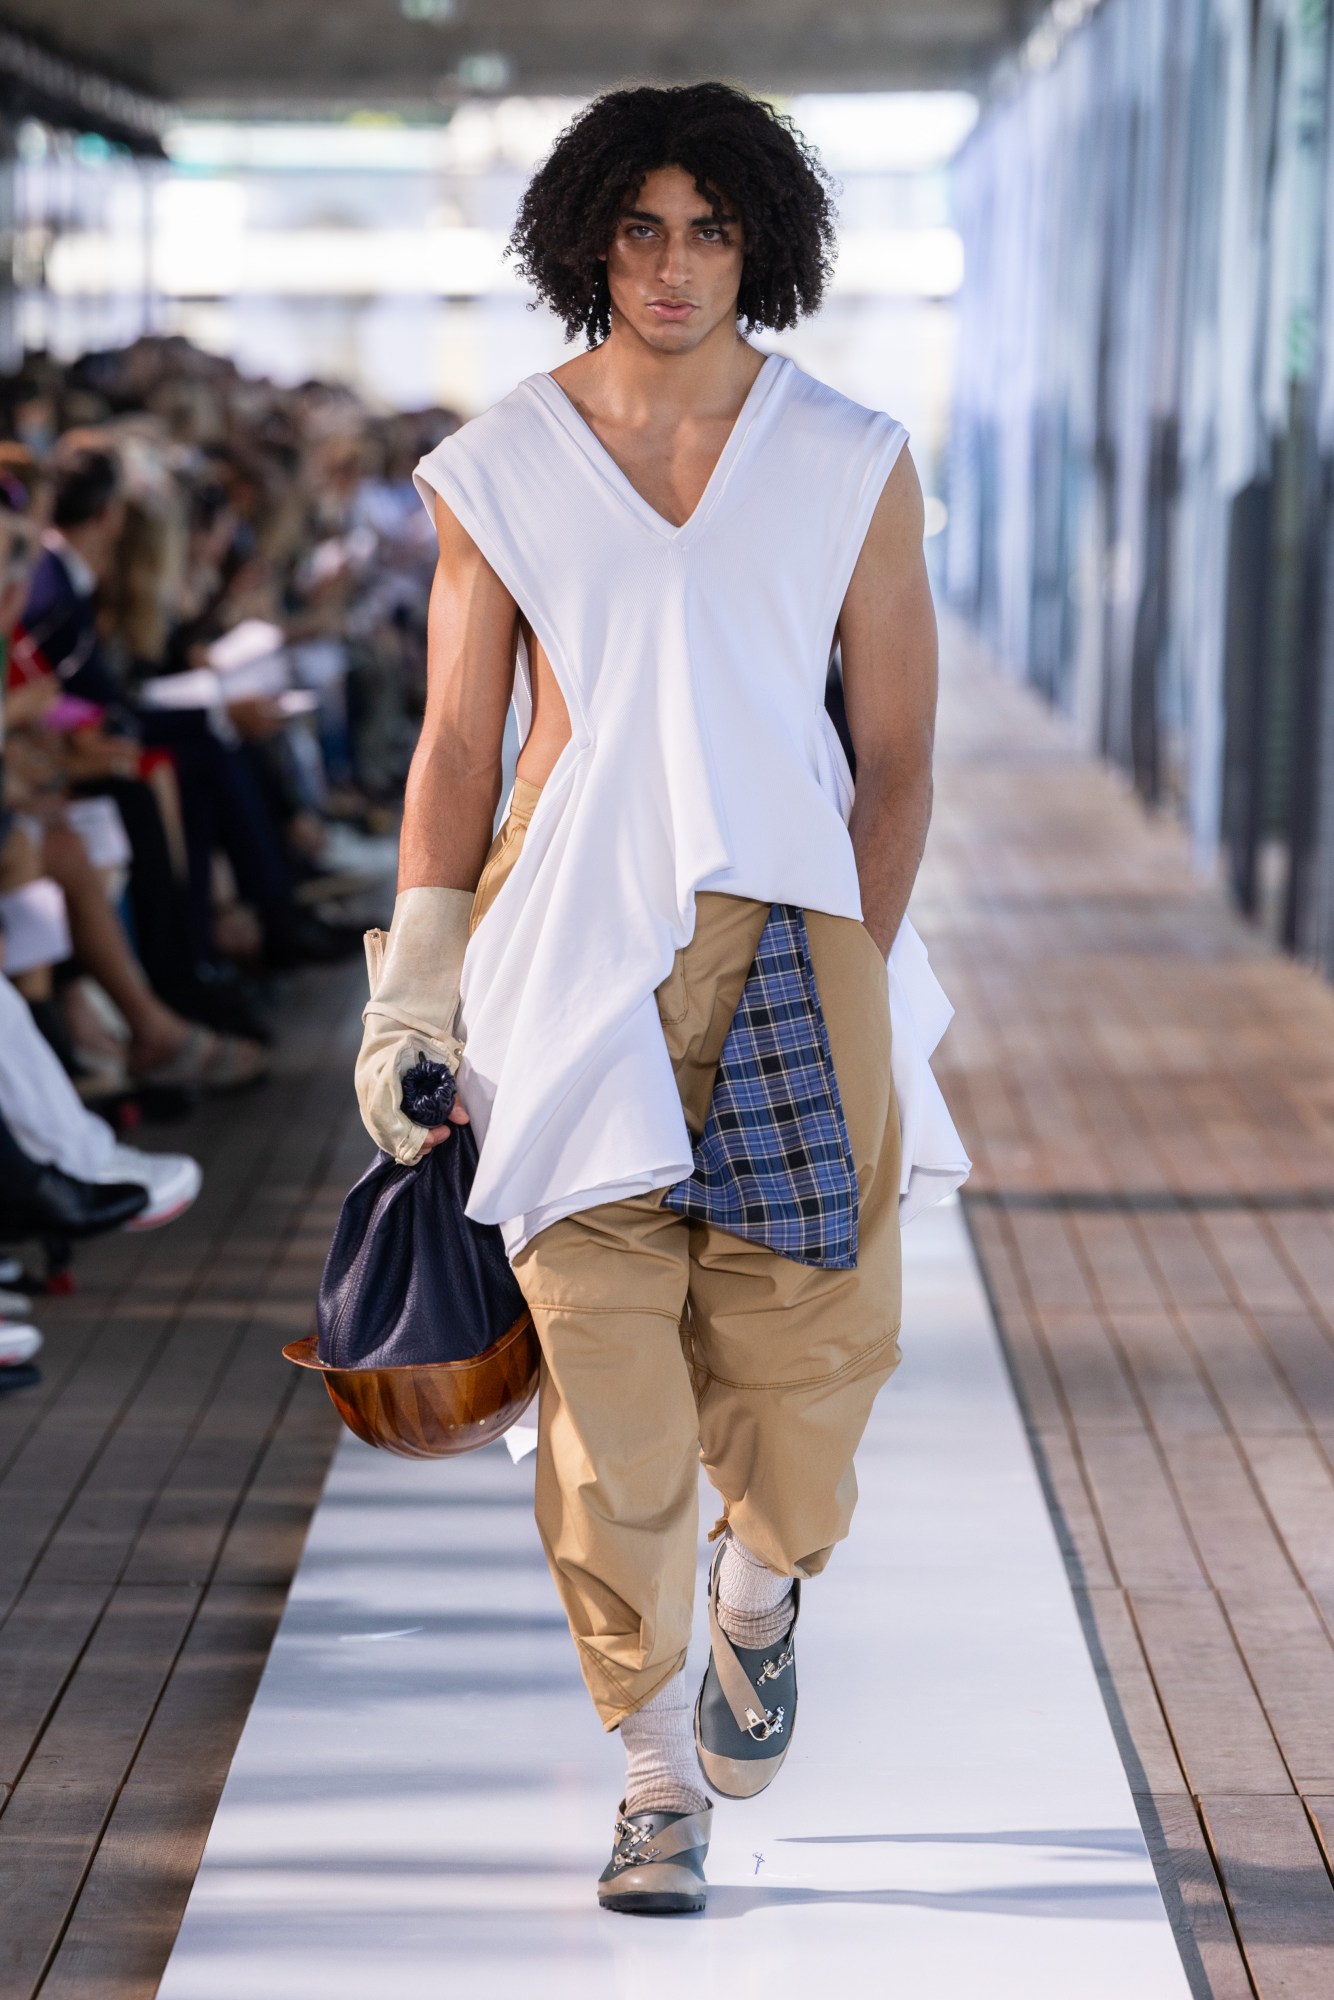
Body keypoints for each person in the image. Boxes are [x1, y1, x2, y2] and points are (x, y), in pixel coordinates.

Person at [356, 82, 967, 1914]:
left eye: (709, 228)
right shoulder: (500, 464)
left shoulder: (848, 453)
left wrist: (854, 962)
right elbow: (456, 742)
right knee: (604, 1396)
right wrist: (415, 996)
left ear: (761, 240)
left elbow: (898, 757)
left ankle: (758, 1593)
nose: (675, 263)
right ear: (585, 242)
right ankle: (649, 1781)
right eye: (641, 227)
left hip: (796, 944)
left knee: (813, 1362)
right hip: (567, 959)